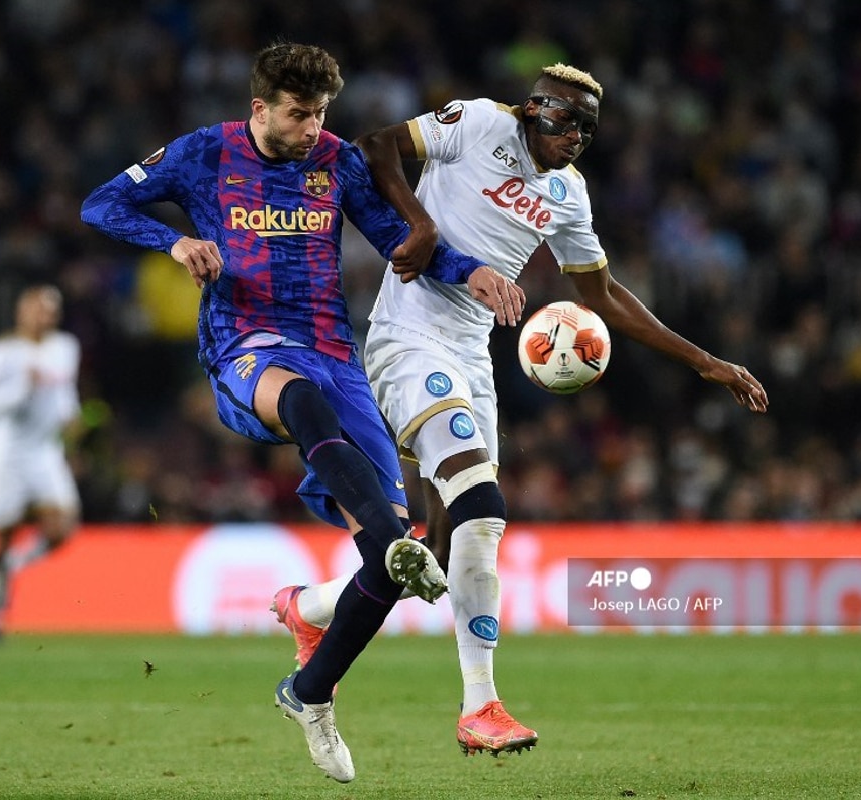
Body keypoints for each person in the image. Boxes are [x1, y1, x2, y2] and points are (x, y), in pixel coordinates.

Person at [273, 63, 771, 757]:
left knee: (440, 549)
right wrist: (415, 224)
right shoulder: (479, 122)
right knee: (484, 507)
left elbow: (603, 296)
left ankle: (310, 606)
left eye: (588, 128)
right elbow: (377, 144)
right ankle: (482, 709)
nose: (576, 136)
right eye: (565, 119)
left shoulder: (568, 194)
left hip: (472, 356)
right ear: (534, 109)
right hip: (410, 340)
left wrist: (706, 362)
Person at [80, 42, 523, 783]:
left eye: (321, 111)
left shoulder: (337, 160)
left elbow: (393, 239)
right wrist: (176, 240)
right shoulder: (203, 153)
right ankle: (391, 540)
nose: (313, 125)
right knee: (303, 403)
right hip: (246, 347)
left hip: (334, 353)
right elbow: (102, 203)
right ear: (259, 107)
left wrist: (468, 269)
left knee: (384, 566)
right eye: (298, 112)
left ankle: (309, 692)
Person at [0, 284, 82, 643]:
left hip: (44, 450)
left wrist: (72, 423)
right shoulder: (2, 351)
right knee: (3, 533)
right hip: (5, 450)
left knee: (64, 525)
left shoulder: (65, 348)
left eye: (50, 310)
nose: (44, 316)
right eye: (37, 308)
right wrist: (21, 388)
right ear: (22, 311)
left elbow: (65, 392)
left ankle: (11, 566)